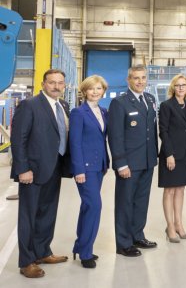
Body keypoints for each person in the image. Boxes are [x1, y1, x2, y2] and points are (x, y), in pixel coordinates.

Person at [10, 69, 72, 278]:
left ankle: (43, 251)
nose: (56, 86)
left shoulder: (63, 105)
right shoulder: (30, 105)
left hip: (55, 167)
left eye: (60, 83)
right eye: (52, 82)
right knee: (29, 216)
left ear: (64, 85)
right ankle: (27, 261)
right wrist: (23, 169)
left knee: (47, 212)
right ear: (44, 84)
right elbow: (19, 140)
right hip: (33, 171)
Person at [107, 65, 158, 257]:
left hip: (147, 160)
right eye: (136, 78)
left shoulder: (150, 100)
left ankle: (137, 235)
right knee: (125, 203)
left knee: (141, 201)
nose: (140, 82)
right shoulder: (120, 103)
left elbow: (151, 131)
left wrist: (154, 156)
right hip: (129, 163)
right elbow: (115, 136)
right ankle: (123, 243)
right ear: (129, 80)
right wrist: (121, 163)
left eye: (143, 78)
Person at [69, 75, 109, 269]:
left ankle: (80, 245)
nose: (95, 92)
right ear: (84, 91)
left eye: (99, 89)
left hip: (99, 166)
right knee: (94, 206)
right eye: (91, 88)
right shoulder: (78, 112)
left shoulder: (103, 111)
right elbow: (74, 143)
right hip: (85, 168)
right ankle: (85, 252)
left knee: (87, 207)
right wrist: (78, 169)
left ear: (103, 91)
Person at [158, 74, 186, 243]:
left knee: (181, 189)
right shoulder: (166, 106)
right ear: (173, 88)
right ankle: (170, 227)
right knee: (170, 190)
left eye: (184, 85)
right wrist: (169, 154)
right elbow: (163, 131)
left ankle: (179, 225)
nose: (181, 88)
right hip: (172, 154)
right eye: (178, 85)